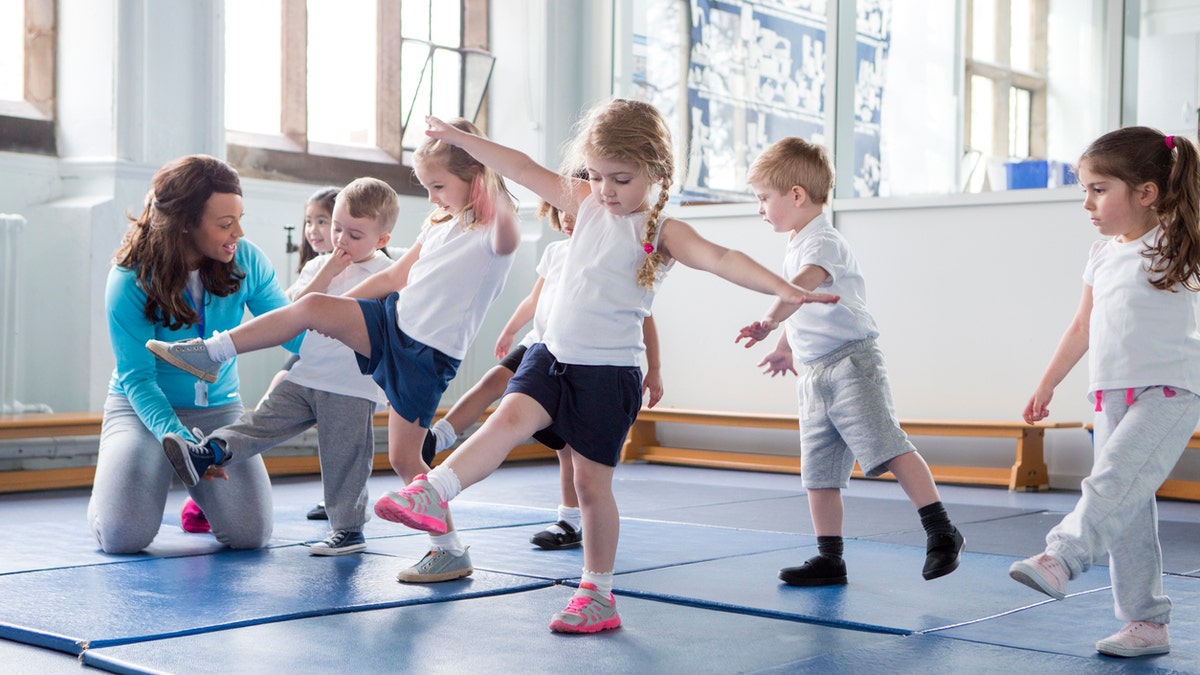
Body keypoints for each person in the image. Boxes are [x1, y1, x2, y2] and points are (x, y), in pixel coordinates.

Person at [372, 99, 838, 634]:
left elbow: (723, 259)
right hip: (552, 356)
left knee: (592, 488)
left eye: (620, 178)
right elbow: (520, 167)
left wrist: (785, 290)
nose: (606, 189)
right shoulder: (586, 202)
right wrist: (463, 142)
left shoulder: (662, 231)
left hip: (608, 373)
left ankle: (597, 593)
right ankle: (434, 491)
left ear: (655, 172)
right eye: (595, 175)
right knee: (504, 421)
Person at [146, 118, 519, 582]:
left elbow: (505, 228)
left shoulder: (495, 233)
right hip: (391, 324)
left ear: (478, 179)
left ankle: (449, 550)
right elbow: (392, 279)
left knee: (405, 459)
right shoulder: (440, 223)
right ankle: (209, 352)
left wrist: (480, 158)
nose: (432, 198)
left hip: (426, 354)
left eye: (438, 185)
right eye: (427, 187)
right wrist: (333, 309)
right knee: (313, 307)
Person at [735, 137, 964, 587]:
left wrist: (767, 319)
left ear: (796, 194)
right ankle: (830, 558)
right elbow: (804, 303)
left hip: (851, 365)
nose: (760, 208)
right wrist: (784, 345)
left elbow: (799, 289)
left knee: (888, 445)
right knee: (818, 472)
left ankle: (941, 531)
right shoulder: (799, 241)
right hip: (815, 372)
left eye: (764, 198)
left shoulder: (825, 242)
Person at [1010, 128, 1200, 658]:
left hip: (1171, 389)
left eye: (1099, 189)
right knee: (1128, 511)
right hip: (1111, 393)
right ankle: (1146, 624)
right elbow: (1081, 327)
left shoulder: (1180, 241)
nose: (1087, 203)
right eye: (1084, 190)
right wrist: (1047, 383)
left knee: (1110, 483)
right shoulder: (1100, 254)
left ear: (1145, 192)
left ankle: (1061, 557)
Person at [161, 178, 397, 556]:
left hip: (351, 384)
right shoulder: (319, 266)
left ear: (381, 240)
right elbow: (294, 312)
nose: (340, 240)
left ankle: (348, 529)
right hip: (306, 374)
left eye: (354, 235)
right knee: (260, 421)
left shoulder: (388, 274)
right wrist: (328, 270)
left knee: (344, 457)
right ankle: (206, 453)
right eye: (336, 228)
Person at [88, 154, 301, 554]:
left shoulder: (247, 259)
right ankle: (116, 493)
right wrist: (185, 446)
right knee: (123, 538)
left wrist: (353, 347)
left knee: (250, 535)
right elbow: (138, 378)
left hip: (219, 411)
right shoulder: (129, 278)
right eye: (225, 223)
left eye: (239, 218)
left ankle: (201, 498)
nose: (238, 231)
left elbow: (291, 331)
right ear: (185, 223)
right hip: (142, 408)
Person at [423, 201, 664, 550]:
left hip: (582, 359)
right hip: (540, 345)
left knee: (569, 448)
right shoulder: (555, 252)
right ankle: (439, 436)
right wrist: (509, 330)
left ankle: (569, 520)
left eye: (575, 212)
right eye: (562, 211)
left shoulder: (612, 257)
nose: (567, 219)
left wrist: (654, 369)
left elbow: (645, 317)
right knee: (493, 382)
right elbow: (534, 300)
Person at [180, 185, 342, 531]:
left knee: (341, 426)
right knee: (273, 400)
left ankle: (340, 498)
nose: (313, 230)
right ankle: (207, 484)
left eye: (323, 222)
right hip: (309, 353)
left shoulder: (368, 267)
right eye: (309, 221)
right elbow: (292, 314)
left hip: (341, 361)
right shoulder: (313, 268)